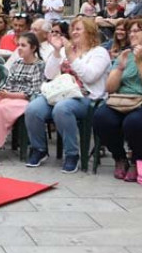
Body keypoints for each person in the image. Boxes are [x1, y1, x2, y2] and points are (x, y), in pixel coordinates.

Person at [25, 17, 112, 172]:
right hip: (59, 92)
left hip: (85, 97)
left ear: (90, 32)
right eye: (73, 29)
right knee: (33, 108)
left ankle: (72, 153)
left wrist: (71, 56)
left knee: (62, 109)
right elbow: (50, 74)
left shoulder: (100, 53)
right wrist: (57, 52)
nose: (74, 32)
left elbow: (90, 76)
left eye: (78, 29)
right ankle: (39, 149)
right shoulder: (66, 50)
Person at [93, 18, 142, 182]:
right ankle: (119, 158)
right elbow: (109, 88)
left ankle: (138, 159)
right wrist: (120, 68)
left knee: (134, 122)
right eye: (131, 31)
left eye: (136, 31)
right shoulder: (125, 55)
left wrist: (140, 63)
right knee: (101, 117)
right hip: (123, 100)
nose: (132, 34)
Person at [0, 33, 45, 163]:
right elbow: (8, 85)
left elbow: (33, 92)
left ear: (33, 48)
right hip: (9, 97)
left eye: (23, 45)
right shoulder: (17, 63)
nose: (19, 48)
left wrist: (8, 95)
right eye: (19, 45)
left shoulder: (39, 65)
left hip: (25, 100)